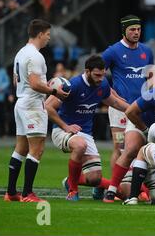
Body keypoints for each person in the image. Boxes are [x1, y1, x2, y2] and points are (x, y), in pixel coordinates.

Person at [45, 55, 129, 201]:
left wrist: (136, 110)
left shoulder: (102, 84)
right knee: (80, 145)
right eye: (97, 75)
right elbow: (47, 107)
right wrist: (65, 126)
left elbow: (115, 102)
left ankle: (72, 181)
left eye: (102, 75)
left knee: (95, 178)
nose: (100, 79)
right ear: (87, 71)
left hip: (85, 134)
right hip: (63, 131)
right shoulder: (73, 85)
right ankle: (73, 191)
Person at [4, 19, 69, 203]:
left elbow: (19, 81)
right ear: (40, 34)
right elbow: (34, 83)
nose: (49, 38)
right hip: (32, 105)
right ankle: (27, 194)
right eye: (48, 34)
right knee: (37, 149)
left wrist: (45, 86)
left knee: (21, 148)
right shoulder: (35, 56)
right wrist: (54, 90)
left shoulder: (21, 53)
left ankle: (10, 192)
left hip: (21, 102)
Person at [101, 15, 154, 178]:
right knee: (119, 146)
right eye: (132, 29)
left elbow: (151, 75)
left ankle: (134, 184)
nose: (136, 32)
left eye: (138, 29)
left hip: (140, 108)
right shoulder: (112, 51)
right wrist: (109, 92)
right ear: (124, 31)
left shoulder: (146, 51)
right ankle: (114, 185)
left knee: (138, 146)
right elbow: (94, 73)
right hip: (119, 109)